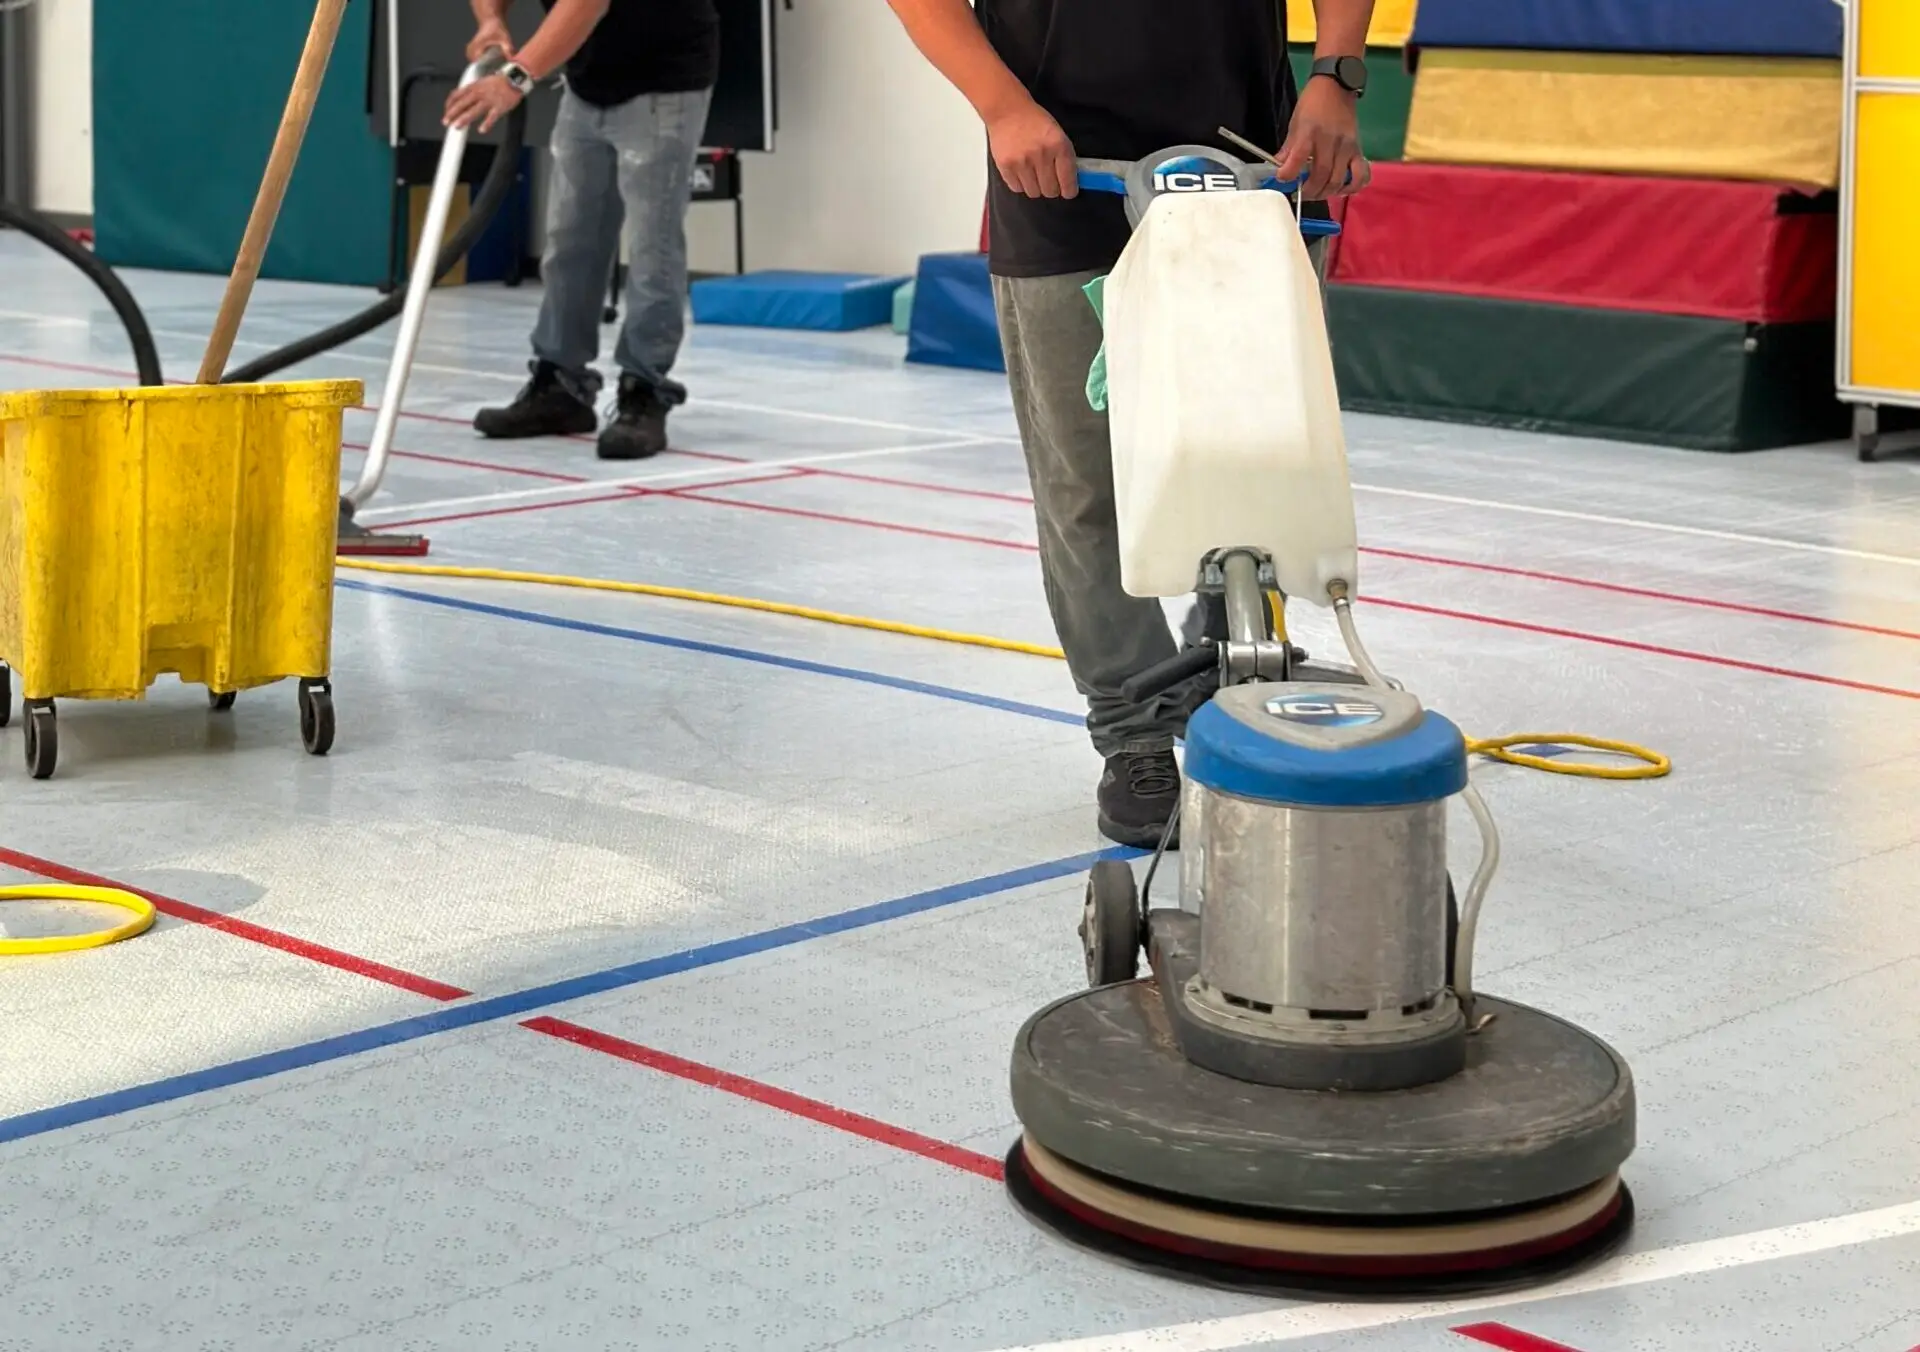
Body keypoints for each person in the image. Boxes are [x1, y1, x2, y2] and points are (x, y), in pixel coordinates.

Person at [884, 0, 1374, 847]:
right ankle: (1135, 730)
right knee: (1085, 483)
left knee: (1261, 442)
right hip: (1056, 162)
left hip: (1252, 156)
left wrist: (1336, 74)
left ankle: (1230, 659)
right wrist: (1001, 107)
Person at [446, 0, 719, 460]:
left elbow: (588, 3)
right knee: (571, 239)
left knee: (653, 245)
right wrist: (491, 19)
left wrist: (515, 77)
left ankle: (644, 391)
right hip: (587, 77)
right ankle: (560, 385)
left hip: (663, 76)